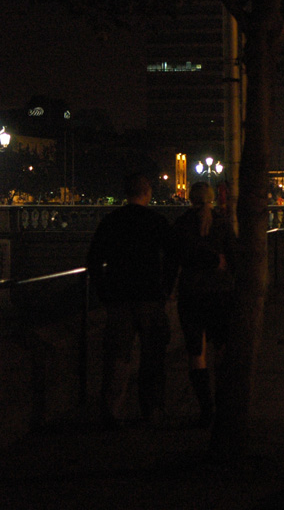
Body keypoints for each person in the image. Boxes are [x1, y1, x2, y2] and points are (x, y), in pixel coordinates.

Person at [87, 173, 176, 428]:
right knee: (153, 356)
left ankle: (113, 411)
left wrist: (103, 291)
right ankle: (152, 409)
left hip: (119, 297)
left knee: (118, 357)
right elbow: (173, 256)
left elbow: (93, 259)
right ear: (147, 192)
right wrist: (167, 287)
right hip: (150, 296)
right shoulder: (156, 221)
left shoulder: (112, 221)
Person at [170, 182, 236, 428]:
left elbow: (174, 258)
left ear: (190, 199)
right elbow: (234, 256)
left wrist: (169, 289)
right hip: (220, 292)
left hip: (192, 293)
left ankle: (205, 407)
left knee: (196, 352)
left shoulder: (181, 224)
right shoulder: (222, 223)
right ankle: (223, 402)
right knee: (221, 347)